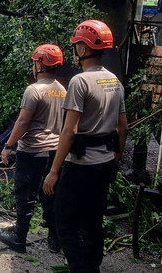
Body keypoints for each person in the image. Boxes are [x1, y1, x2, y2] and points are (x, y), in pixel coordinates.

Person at [42, 20, 128, 273]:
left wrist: (54, 170)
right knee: (93, 221)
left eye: (77, 45)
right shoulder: (115, 81)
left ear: (82, 48)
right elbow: (122, 127)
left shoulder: (80, 82)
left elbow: (70, 130)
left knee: (65, 222)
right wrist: (116, 157)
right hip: (104, 163)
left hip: (79, 166)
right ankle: (94, 267)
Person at [0, 44, 65, 254]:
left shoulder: (33, 90)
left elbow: (23, 121)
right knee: (50, 195)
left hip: (33, 151)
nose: (33, 65)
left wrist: (8, 146)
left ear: (41, 64)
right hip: (54, 152)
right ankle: (55, 239)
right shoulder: (62, 90)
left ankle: (19, 238)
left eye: (35, 61)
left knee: (25, 195)